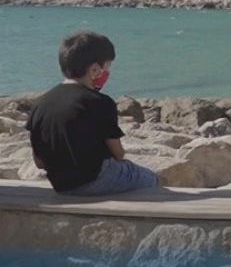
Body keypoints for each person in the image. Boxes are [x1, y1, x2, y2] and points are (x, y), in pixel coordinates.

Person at [24, 32, 158, 196]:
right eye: (107, 68)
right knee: (151, 178)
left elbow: (39, 162)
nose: (107, 74)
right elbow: (118, 153)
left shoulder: (40, 104)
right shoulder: (100, 102)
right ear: (95, 69)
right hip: (96, 179)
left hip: (61, 185)